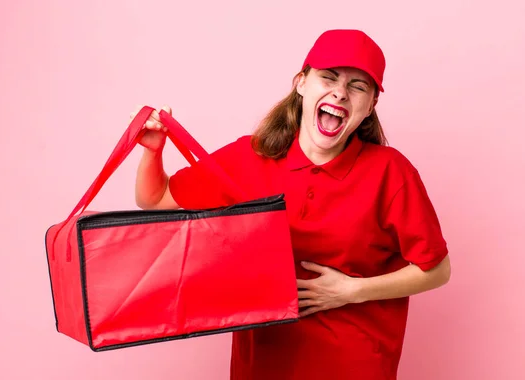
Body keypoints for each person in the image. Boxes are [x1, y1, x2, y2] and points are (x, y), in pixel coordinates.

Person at [131, 29, 451, 380]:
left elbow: (437, 269)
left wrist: (352, 291)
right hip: (264, 365)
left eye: (358, 86)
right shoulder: (250, 157)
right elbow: (155, 198)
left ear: (371, 104)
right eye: (328, 77)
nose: (340, 93)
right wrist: (153, 149)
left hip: (355, 364)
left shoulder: (391, 172)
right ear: (301, 83)